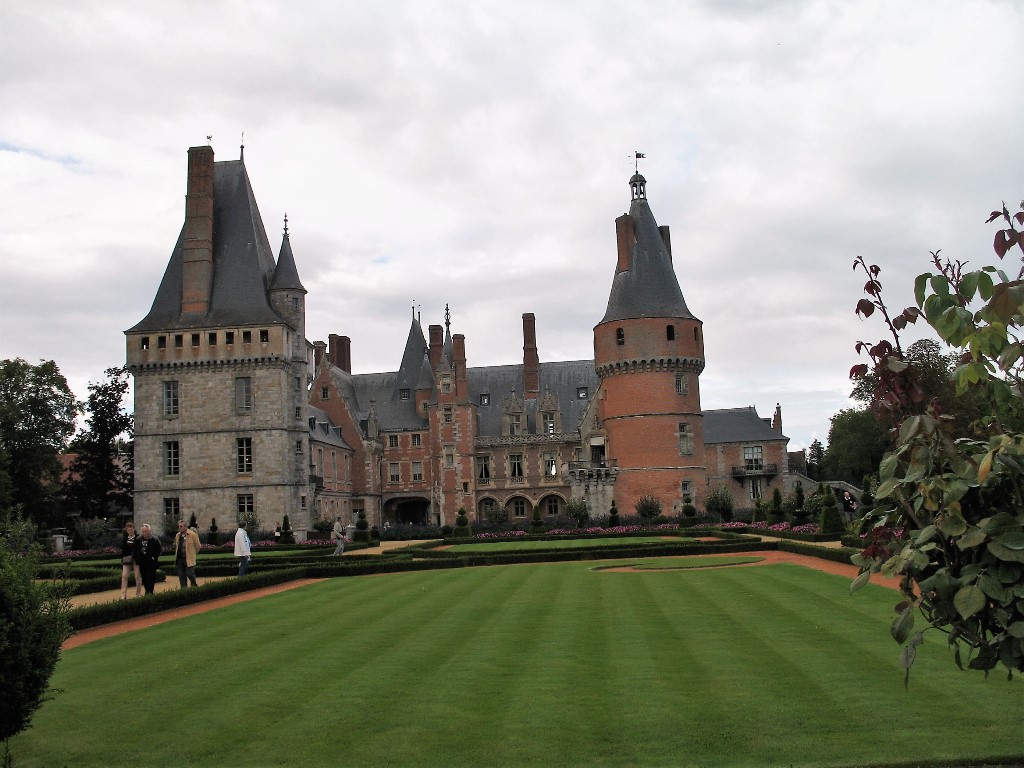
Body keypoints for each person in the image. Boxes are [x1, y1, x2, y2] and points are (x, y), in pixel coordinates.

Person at [173, 519, 201, 588]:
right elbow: (177, 546)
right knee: (181, 577)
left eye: (181, 526)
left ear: (185, 527)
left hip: (189, 559)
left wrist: (193, 554)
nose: (179, 528)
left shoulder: (193, 535)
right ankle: (184, 591)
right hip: (180, 559)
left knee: (190, 573)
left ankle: (194, 585)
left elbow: (198, 546)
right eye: (179, 526)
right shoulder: (177, 535)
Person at [136, 523, 162, 595]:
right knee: (144, 578)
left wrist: (154, 557)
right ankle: (148, 591)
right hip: (142, 562)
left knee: (151, 578)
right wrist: (137, 559)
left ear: (149, 531)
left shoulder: (154, 539)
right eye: (143, 531)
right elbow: (136, 550)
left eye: (146, 531)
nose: (144, 533)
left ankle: (149, 592)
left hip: (151, 562)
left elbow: (159, 550)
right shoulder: (138, 539)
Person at [119, 521, 143, 599]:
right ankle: (123, 594)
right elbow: (122, 551)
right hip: (127, 559)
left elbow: (140, 549)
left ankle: (138, 593)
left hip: (136, 559)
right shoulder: (124, 539)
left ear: (134, 529)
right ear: (126, 530)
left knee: (137, 576)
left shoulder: (138, 538)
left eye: (131, 530)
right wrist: (122, 560)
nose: (129, 531)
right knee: (124, 576)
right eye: (128, 530)